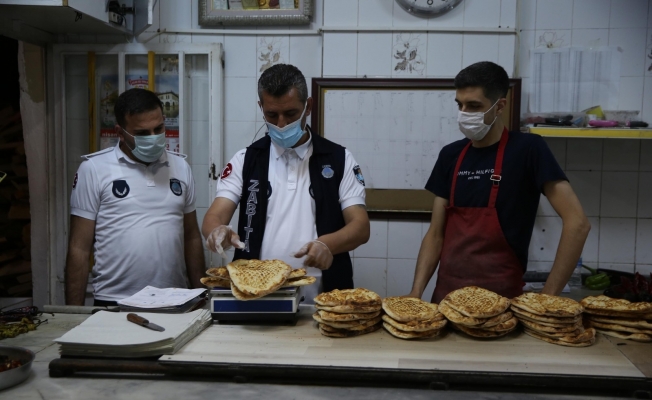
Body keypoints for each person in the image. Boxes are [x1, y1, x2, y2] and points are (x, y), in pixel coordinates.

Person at [408, 61, 590, 303]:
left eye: (473, 106)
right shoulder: (450, 155)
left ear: (499, 106)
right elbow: (435, 234)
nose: (464, 113)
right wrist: (415, 293)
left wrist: (548, 298)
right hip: (446, 302)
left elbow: (577, 223)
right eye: (460, 105)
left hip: (503, 305)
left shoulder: (528, 150)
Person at [202, 64, 370, 300]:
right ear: (261, 107)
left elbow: (360, 227)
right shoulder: (246, 159)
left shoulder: (338, 159)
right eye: (272, 115)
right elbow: (214, 217)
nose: (281, 124)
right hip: (255, 294)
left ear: (308, 107)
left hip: (324, 295)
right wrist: (217, 231)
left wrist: (327, 244)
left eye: (290, 114)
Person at [65, 88, 205, 306]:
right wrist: (72, 314)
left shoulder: (180, 167)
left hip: (174, 299)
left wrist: (201, 296)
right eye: (142, 133)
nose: (153, 138)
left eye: (158, 129)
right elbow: (79, 248)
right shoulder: (93, 169)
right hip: (113, 301)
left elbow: (192, 236)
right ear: (120, 132)